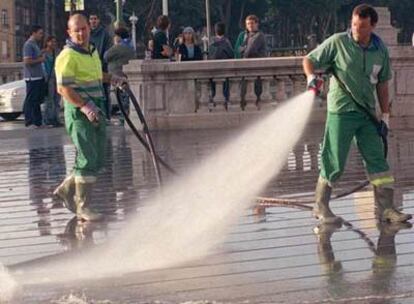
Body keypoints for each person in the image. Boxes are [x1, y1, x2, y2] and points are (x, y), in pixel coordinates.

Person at [303, 4, 412, 224]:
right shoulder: (338, 42)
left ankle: (387, 209)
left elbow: (382, 83)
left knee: (377, 160)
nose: (356, 31)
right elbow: (309, 60)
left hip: (367, 114)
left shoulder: (379, 49)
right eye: (353, 25)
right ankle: (321, 206)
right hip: (341, 112)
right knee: (334, 160)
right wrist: (311, 78)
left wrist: (386, 115)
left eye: (361, 27)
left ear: (372, 26)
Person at [53, 14, 121, 221]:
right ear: (69, 33)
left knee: (98, 158)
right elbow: (63, 88)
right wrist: (84, 105)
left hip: (96, 109)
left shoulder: (91, 52)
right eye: (77, 30)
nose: (81, 33)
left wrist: (114, 78)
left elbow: (97, 75)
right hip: (79, 112)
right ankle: (82, 206)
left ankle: (67, 188)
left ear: (89, 29)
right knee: (87, 158)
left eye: (84, 29)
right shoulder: (67, 56)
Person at [104, 27, 136, 126]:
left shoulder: (118, 47)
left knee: (121, 99)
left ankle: (124, 118)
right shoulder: (131, 46)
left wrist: (115, 45)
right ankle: (126, 117)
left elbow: (106, 56)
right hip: (126, 75)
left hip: (117, 75)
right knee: (126, 98)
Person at [89, 13, 113, 121]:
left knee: (104, 91)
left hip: (101, 66)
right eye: (91, 19)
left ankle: (106, 115)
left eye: (95, 19)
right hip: (88, 67)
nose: (93, 21)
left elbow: (107, 50)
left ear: (98, 21)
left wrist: (102, 62)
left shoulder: (105, 34)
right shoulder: (87, 33)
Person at [22, 25, 45, 128]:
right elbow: (27, 61)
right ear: (34, 33)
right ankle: (29, 121)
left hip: (38, 76)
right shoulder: (28, 45)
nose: (41, 35)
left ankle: (38, 121)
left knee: (37, 100)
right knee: (31, 99)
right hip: (32, 77)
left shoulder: (35, 44)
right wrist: (40, 60)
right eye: (40, 33)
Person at [209, 22, 234, 107]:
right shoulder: (225, 42)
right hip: (217, 67)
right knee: (218, 87)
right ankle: (221, 101)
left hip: (220, 67)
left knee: (223, 87)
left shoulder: (213, 41)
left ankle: (223, 101)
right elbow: (231, 54)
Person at [42, 36, 62, 127]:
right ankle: (48, 119)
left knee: (57, 99)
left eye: (55, 41)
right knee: (49, 99)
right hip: (49, 78)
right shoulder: (43, 53)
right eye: (52, 42)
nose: (54, 43)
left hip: (57, 78)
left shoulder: (58, 52)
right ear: (47, 43)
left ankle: (56, 118)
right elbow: (42, 66)